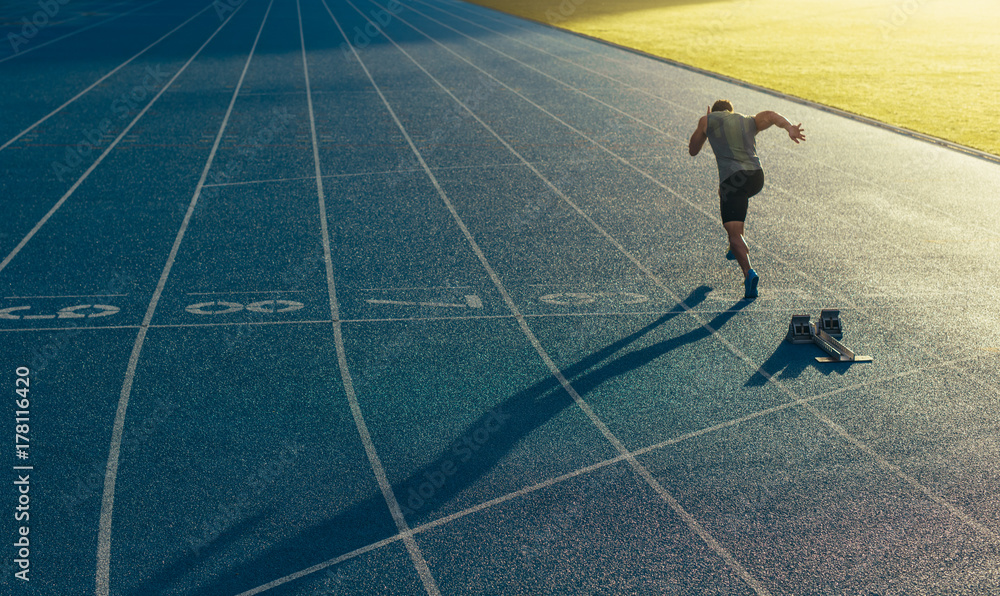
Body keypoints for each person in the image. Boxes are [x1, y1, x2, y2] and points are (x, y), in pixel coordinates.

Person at [688, 100, 806, 298]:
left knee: (734, 233)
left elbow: (693, 149)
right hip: (755, 177)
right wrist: (789, 127)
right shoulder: (747, 120)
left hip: (732, 180)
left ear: (714, 112)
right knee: (729, 199)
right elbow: (770, 114)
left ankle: (748, 272)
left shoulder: (708, 120)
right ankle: (735, 247)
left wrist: (705, 125)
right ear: (731, 112)